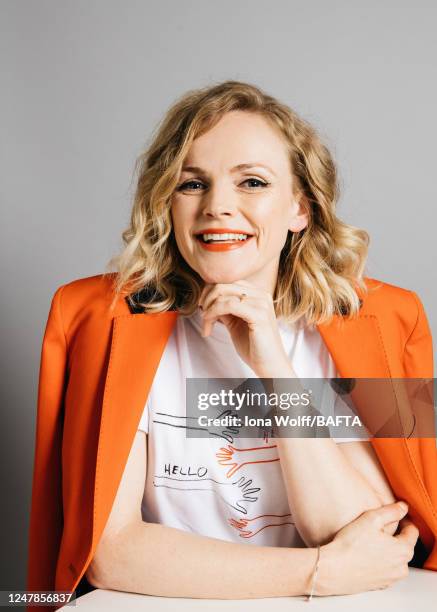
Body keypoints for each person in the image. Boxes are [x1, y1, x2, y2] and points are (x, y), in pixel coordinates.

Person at [27, 80, 436, 610]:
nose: (218, 206)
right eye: (192, 184)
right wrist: (316, 571)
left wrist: (274, 367)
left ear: (300, 210)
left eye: (252, 183)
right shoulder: (99, 322)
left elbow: (376, 541)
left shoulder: (389, 320)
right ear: (166, 204)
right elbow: (112, 554)